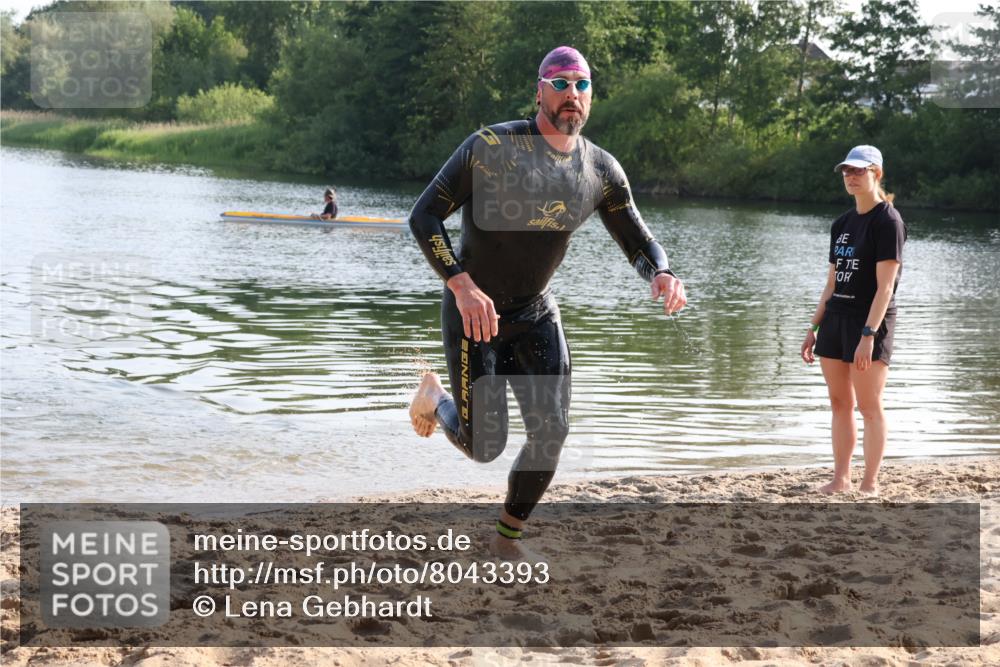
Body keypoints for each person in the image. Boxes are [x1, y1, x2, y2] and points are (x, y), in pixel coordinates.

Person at [407, 46, 687, 560]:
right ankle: (434, 397)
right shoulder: (490, 147)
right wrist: (461, 285)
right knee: (483, 445)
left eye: (581, 85)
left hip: (535, 311)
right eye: (560, 84)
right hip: (475, 311)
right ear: (539, 92)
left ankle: (506, 539)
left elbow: (640, 241)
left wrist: (662, 273)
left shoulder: (600, 169)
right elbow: (424, 217)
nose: (571, 94)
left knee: (552, 430)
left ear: (591, 97)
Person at [800, 145, 907, 496]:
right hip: (836, 320)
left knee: (868, 406)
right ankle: (841, 479)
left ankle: (869, 483)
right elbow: (832, 283)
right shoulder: (841, 224)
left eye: (859, 170)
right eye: (847, 171)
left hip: (869, 322)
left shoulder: (888, 221)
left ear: (877, 173)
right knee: (839, 403)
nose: (851, 176)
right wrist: (813, 328)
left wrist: (868, 335)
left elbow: (886, 288)